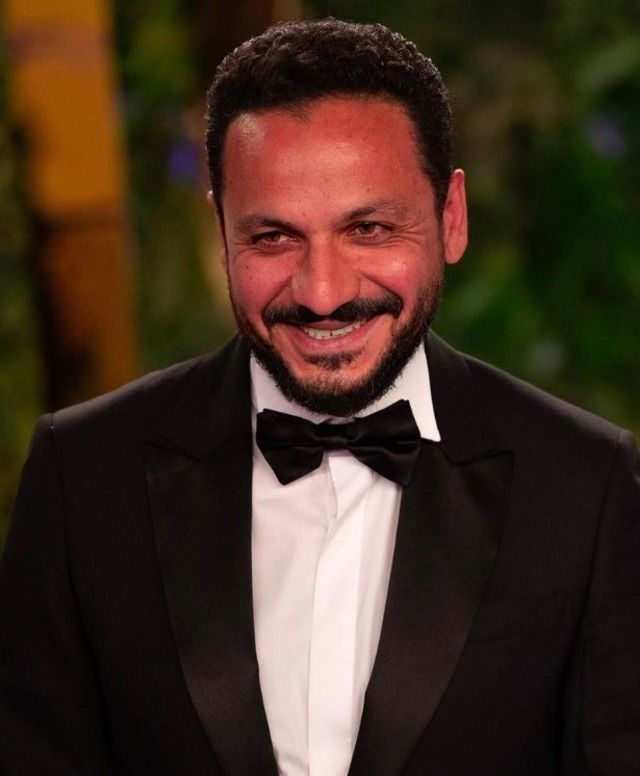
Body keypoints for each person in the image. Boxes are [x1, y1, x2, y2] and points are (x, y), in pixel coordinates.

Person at [1, 17, 639, 776]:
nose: (323, 293)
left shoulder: (583, 485)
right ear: (222, 232)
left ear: (451, 218)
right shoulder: (82, 474)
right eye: (273, 238)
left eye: (368, 228)